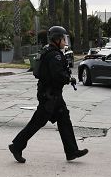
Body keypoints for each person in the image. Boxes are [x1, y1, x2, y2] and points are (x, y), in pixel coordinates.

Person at [8, 26, 88, 164]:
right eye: (63, 38)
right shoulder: (54, 55)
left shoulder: (49, 51)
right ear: (57, 39)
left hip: (52, 95)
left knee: (64, 120)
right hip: (50, 96)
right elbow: (57, 75)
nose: (65, 41)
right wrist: (69, 79)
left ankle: (72, 151)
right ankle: (16, 146)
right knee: (37, 123)